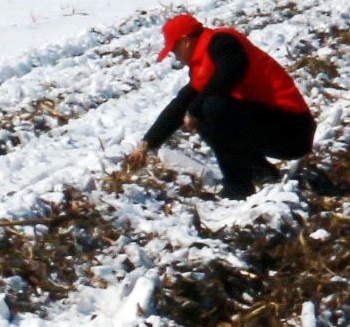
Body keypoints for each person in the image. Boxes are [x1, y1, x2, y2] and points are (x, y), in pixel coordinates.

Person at [124, 12, 316, 198]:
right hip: (272, 127)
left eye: (174, 50)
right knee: (206, 110)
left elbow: (230, 74)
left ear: (186, 41)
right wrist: (147, 143)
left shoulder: (223, 43)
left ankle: (238, 186)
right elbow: (182, 102)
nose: (176, 57)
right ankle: (260, 171)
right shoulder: (203, 64)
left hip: (292, 129)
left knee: (212, 107)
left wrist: (194, 109)